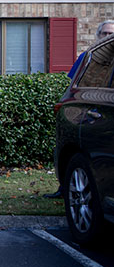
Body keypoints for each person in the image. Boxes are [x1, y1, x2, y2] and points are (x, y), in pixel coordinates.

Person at [45, 19, 114, 199]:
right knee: (74, 151)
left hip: (107, 109)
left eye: (110, 34)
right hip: (86, 107)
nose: (108, 36)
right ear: (98, 35)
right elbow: (74, 82)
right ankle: (67, 188)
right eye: (105, 33)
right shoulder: (88, 57)